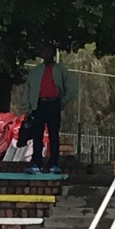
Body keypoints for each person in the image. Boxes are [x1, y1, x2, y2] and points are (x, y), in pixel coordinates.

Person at [24, 42, 75, 174]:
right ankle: (37, 163)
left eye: (49, 51)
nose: (46, 54)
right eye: (44, 51)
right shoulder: (35, 71)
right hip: (39, 104)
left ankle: (53, 164)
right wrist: (27, 108)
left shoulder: (60, 70)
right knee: (37, 135)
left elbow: (72, 88)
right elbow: (28, 90)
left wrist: (62, 102)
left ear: (53, 54)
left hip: (53, 104)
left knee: (53, 135)